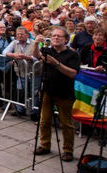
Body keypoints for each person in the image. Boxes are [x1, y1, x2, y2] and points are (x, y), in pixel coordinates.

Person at [33, 27, 81, 161]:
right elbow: (37, 55)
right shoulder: (49, 51)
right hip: (47, 90)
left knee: (66, 123)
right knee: (44, 120)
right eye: (53, 35)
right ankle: (45, 145)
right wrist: (36, 43)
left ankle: (68, 150)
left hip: (64, 92)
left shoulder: (73, 54)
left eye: (59, 36)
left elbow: (72, 73)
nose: (56, 38)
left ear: (66, 39)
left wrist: (56, 64)